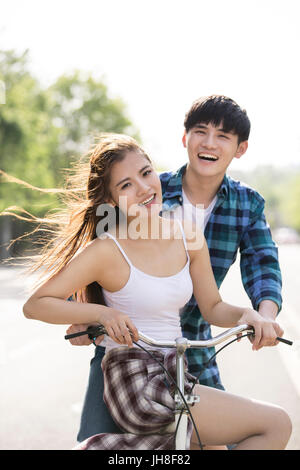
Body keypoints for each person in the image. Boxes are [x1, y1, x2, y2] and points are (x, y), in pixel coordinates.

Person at [23, 133, 291, 450]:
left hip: (176, 371)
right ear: (111, 202)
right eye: (126, 185)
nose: (144, 188)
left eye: (146, 173)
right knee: (276, 424)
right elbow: (36, 304)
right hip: (136, 380)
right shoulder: (107, 250)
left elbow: (213, 307)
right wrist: (102, 314)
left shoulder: (188, 235)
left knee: (210, 447)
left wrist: (248, 315)